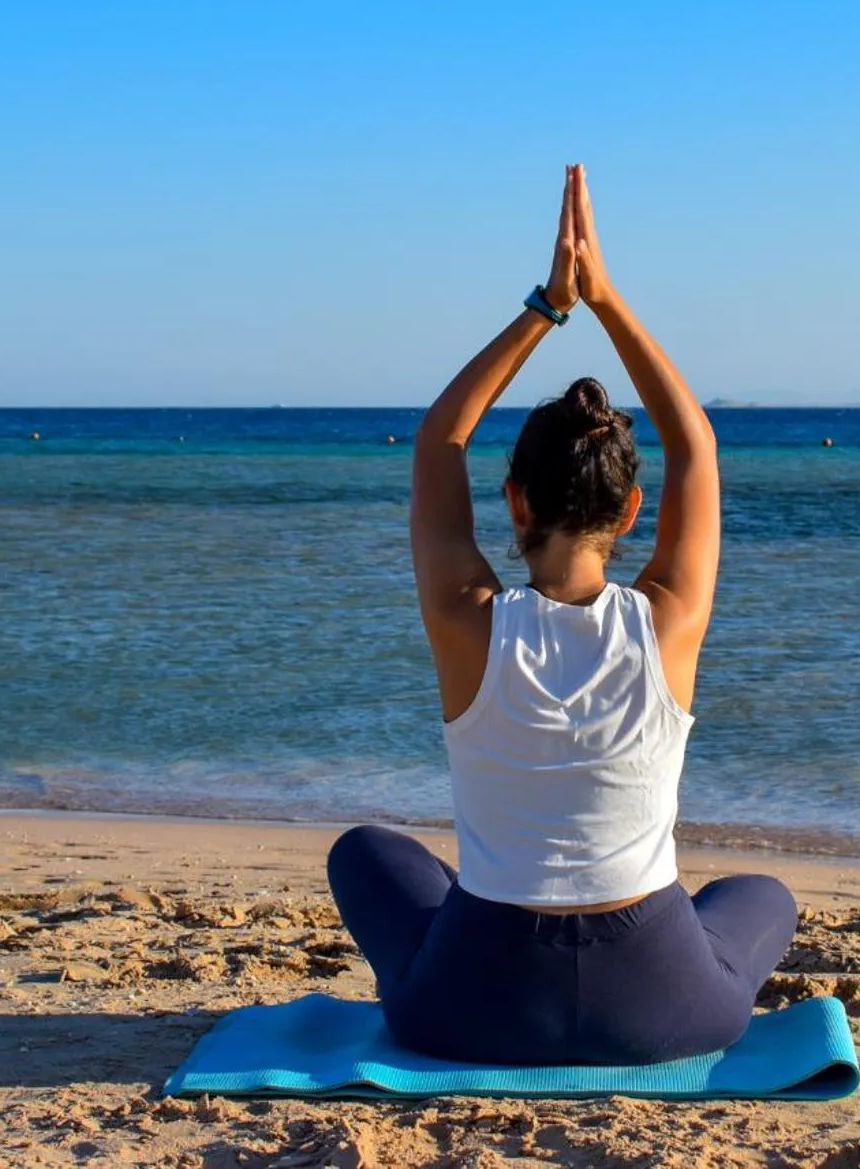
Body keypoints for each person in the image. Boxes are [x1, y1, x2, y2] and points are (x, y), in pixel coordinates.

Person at [326, 164, 797, 1065]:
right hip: (660, 1006)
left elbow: (440, 440)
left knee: (365, 854)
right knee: (760, 892)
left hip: (474, 1008)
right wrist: (609, 301)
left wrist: (549, 305)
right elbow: (695, 441)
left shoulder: (468, 621)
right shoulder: (669, 622)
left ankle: (470, 933)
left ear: (512, 502)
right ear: (631, 513)